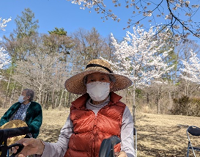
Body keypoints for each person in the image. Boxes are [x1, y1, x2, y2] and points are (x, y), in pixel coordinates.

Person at [15, 59, 135, 157]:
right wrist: (41, 147)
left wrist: (126, 155)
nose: (97, 83)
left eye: (102, 79)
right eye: (92, 80)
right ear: (86, 85)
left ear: (111, 84)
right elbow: (61, 147)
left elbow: (128, 148)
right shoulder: (75, 110)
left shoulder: (122, 110)